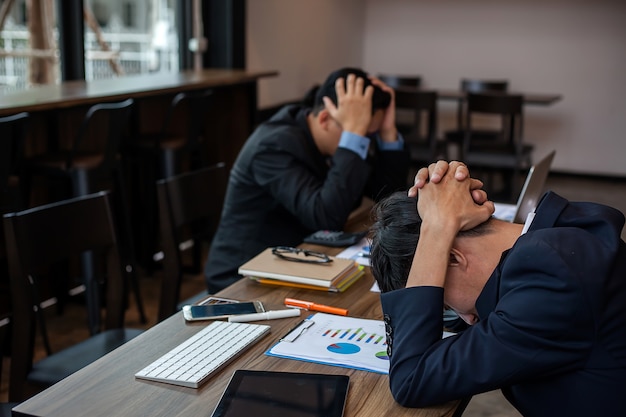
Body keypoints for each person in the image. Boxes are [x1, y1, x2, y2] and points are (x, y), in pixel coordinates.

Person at [369, 161, 626, 416]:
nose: (467, 319)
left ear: (452, 257)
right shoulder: (552, 233)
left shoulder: (550, 278)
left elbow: (411, 379)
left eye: (444, 304)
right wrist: (441, 211)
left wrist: (437, 229)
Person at [204, 67, 410, 293]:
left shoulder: (336, 139)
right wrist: (354, 136)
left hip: (300, 260)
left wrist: (387, 131)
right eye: (361, 134)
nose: (365, 143)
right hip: (243, 276)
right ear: (324, 119)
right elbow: (325, 217)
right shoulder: (272, 146)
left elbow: (388, 195)